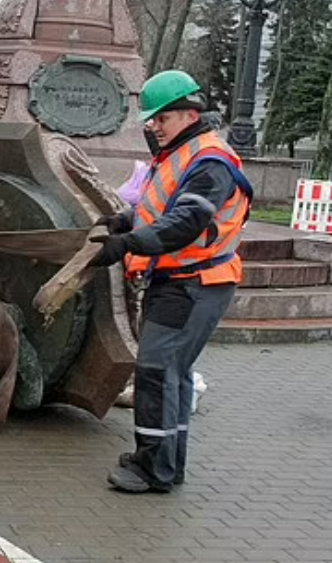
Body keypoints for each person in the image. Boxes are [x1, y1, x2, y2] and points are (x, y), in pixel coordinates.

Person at [87, 70, 253, 494]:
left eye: (161, 118)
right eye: (152, 119)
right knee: (172, 373)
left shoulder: (209, 161)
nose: (153, 126)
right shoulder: (184, 154)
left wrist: (125, 244)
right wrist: (124, 220)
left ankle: (152, 469)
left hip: (192, 283)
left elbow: (187, 222)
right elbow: (160, 208)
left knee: (157, 372)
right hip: (185, 280)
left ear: (188, 113)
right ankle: (165, 464)